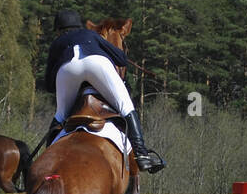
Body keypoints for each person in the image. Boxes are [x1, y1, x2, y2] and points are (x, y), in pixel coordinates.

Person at [41, 9, 162, 172]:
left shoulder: (57, 42)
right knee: (126, 106)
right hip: (97, 64)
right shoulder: (91, 35)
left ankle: (47, 160)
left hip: (68, 69)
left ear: (58, 29)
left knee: (61, 114)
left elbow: (48, 84)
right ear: (79, 25)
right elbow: (121, 59)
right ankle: (141, 155)